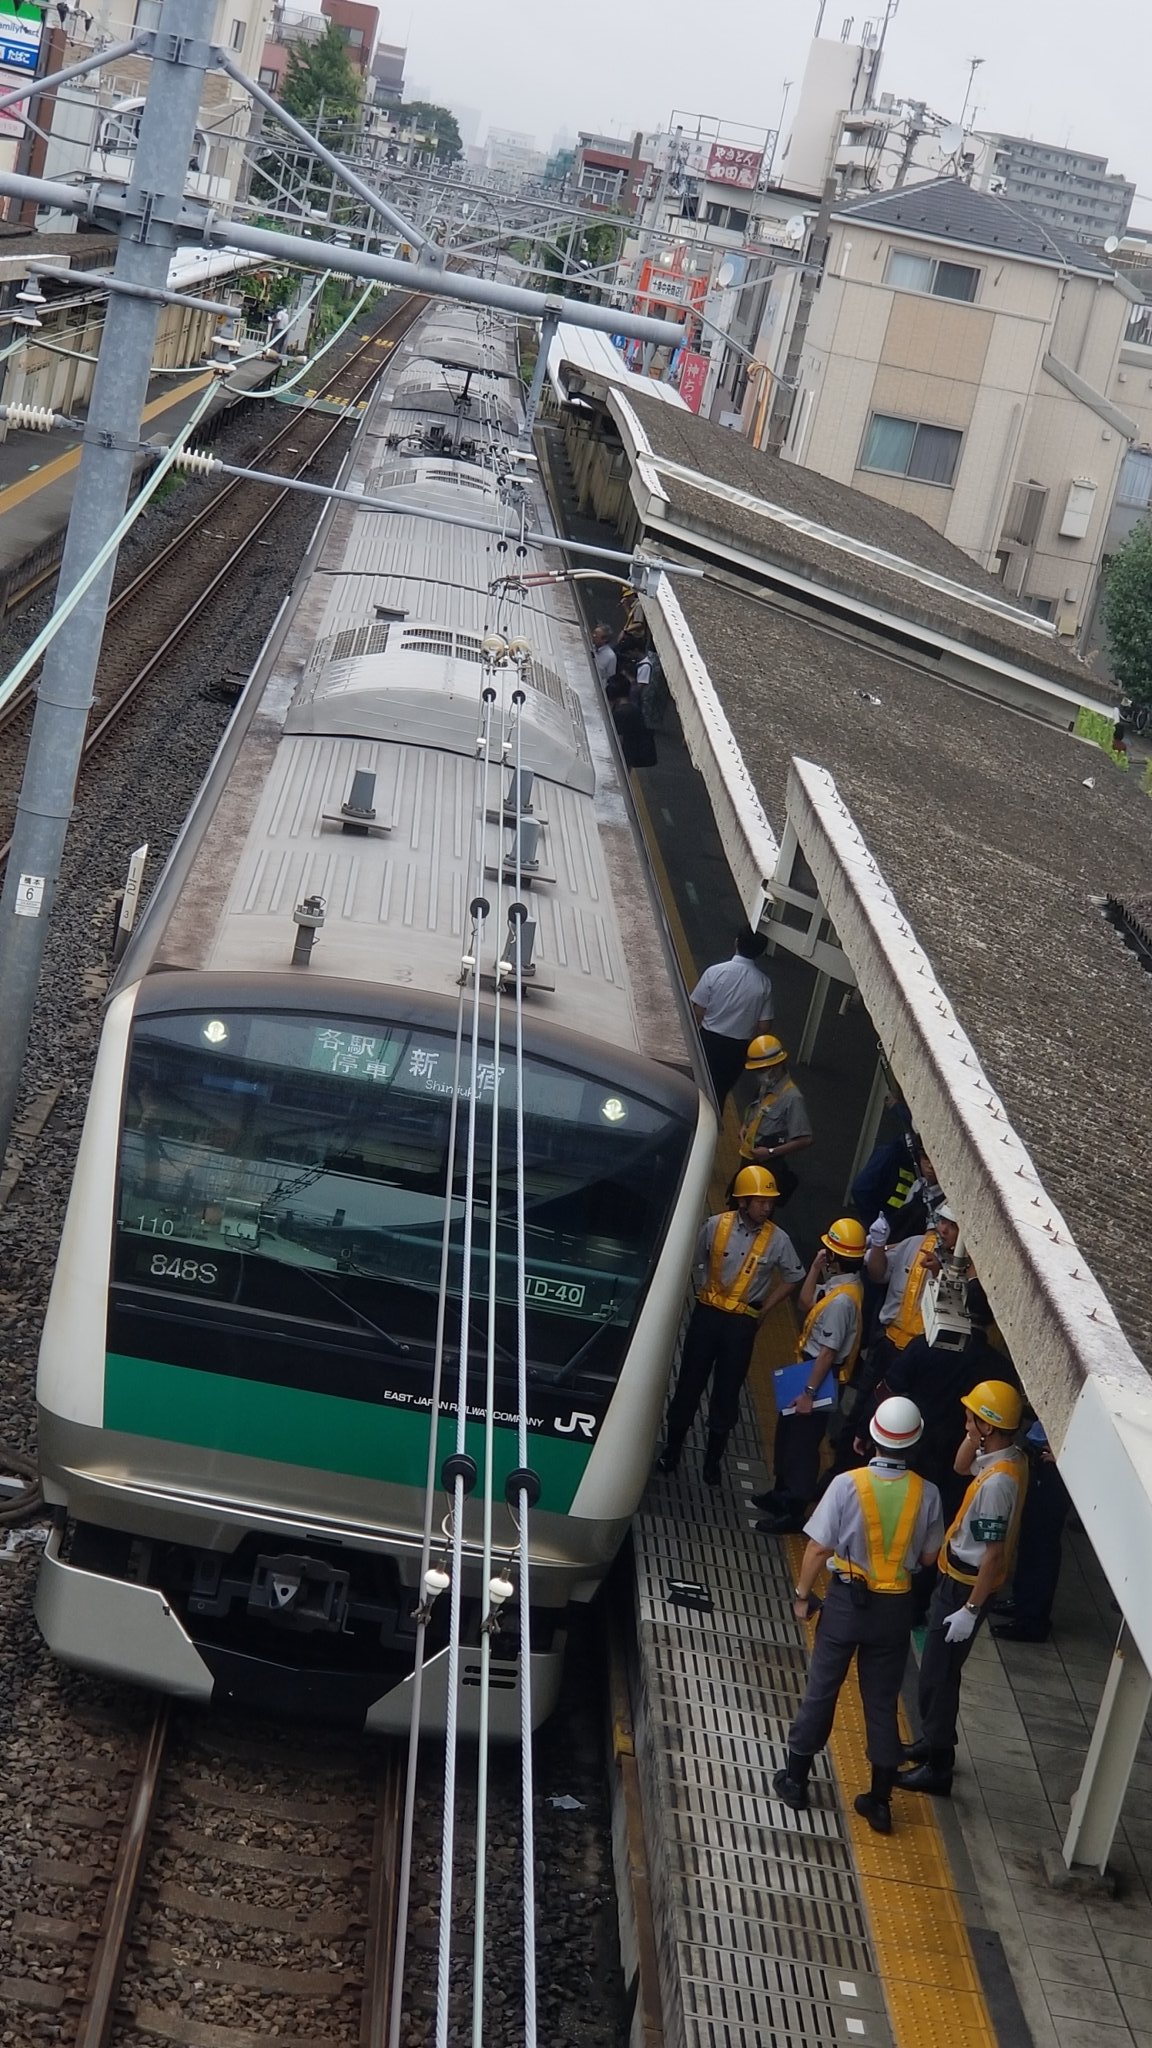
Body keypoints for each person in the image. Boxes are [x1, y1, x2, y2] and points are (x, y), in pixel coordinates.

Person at [773, 1397, 944, 1835]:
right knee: (882, 1702)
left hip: (848, 1601)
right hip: (895, 1610)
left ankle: (795, 1781)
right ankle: (880, 1801)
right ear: (915, 1442)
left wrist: (801, 1596)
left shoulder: (847, 1484)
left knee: (822, 1689)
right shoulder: (928, 1493)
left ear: (872, 1437)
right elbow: (928, 1558)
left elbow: (817, 1547)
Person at [900, 1379, 1027, 1797]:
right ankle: (938, 1745)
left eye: (972, 1417)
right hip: (957, 1581)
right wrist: (974, 1436)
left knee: (935, 1675)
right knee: (943, 1673)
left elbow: (991, 1555)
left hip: (963, 1589)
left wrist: (970, 1610)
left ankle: (937, 1766)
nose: (965, 1420)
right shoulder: (1005, 1458)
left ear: (988, 1427)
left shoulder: (996, 1485)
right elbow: (959, 1466)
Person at [657, 1166, 804, 1485]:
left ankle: (713, 1461)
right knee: (689, 1383)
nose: (768, 1207)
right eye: (761, 1201)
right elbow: (690, 1261)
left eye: (770, 1202)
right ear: (743, 1202)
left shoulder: (778, 1240)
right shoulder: (714, 1226)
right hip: (707, 1315)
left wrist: (765, 1309)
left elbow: (794, 1276)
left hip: (741, 1324)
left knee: (727, 1391)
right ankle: (672, 1449)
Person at [755, 1217, 867, 1534]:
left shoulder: (843, 1301)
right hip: (809, 1369)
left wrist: (807, 1393)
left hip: (818, 1375)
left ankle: (793, 1508)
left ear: (835, 1257)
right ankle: (780, 1493)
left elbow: (829, 1353)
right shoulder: (838, 1287)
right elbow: (805, 1302)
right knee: (788, 1434)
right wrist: (816, 1268)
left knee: (803, 1445)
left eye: (827, 1251)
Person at [991, 1423, 1070, 1644]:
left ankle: (1032, 1620)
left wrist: (1069, 1456)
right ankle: (1022, 1601)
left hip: (1055, 1463)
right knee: (1029, 1538)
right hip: (1042, 1452)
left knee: (1041, 1543)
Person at [689, 927, 774, 1107]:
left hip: (708, 1040)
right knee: (719, 1093)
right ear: (761, 951)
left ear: (736, 942)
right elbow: (764, 1026)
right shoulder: (764, 983)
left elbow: (698, 1010)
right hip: (737, 1048)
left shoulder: (715, 972)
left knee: (696, 1088)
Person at [735, 1036, 813, 1204]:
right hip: (749, 1159)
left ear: (777, 1065)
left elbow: (805, 1139)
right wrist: (745, 1126)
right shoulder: (766, 1086)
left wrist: (770, 1152)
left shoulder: (792, 1098)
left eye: (763, 1070)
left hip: (768, 1166)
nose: (759, 1074)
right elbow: (756, 1110)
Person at [605, 675, 657, 768]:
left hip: (623, 755)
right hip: (631, 754)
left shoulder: (621, 713)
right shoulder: (634, 709)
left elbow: (618, 739)